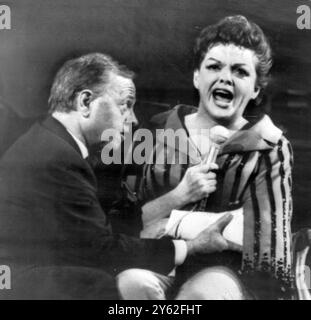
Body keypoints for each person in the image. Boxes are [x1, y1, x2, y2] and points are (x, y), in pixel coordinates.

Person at [0, 53, 236, 299]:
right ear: (85, 103)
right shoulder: (59, 159)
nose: (132, 119)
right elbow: (103, 249)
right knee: (105, 284)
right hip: (18, 284)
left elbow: (102, 228)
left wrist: (179, 195)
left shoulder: (51, 142)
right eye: (125, 104)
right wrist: (191, 247)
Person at [118, 15, 293, 300]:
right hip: (155, 258)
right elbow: (124, 224)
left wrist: (172, 224)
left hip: (227, 275)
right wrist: (180, 196)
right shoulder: (158, 129)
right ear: (197, 77)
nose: (225, 77)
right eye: (214, 67)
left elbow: (267, 242)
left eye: (240, 71)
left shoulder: (269, 147)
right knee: (132, 283)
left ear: (256, 90)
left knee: (201, 295)